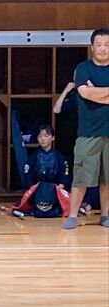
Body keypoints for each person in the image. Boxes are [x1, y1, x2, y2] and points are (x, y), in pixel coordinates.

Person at [62, 28, 109, 229]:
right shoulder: (83, 68)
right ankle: (73, 215)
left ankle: (105, 215)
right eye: (99, 45)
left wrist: (96, 91)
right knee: (81, 177)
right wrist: (94, 93)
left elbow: (92, 93)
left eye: (107, 45)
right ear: (92, 47)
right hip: (88, 133)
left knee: (107, 179)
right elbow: (85, 93)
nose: (103, 49)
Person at [11, 125, 70, 217]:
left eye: (46, 136)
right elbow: (28, 176)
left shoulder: (59, 157)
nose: (43, 139)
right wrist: (34, 188)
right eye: (40, 136)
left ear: (53, 138)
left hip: (55, 190)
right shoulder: (33, 157)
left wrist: (59, 187)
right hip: (37, 190)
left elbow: (64, 175)